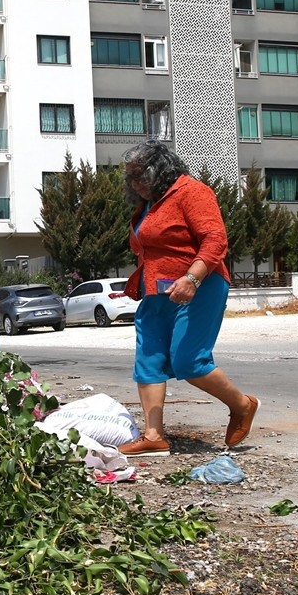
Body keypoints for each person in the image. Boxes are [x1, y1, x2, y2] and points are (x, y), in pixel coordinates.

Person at [118, 140, 258, 457]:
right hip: (159, 291)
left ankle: (243, 405)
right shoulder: (150, 205)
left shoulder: (192, 191)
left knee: (188, 361)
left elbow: (215, 239)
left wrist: (192, 277)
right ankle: (154, 436)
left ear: (159, 170)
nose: (135, 182)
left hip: (200, 285)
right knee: (149, 358)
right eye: (130, 177)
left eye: (140, 174)